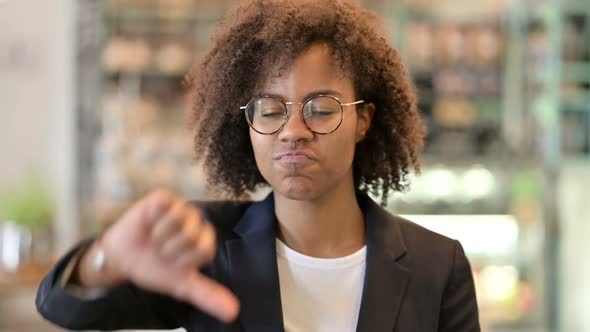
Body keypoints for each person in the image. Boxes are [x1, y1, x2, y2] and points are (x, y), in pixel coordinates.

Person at [36, 0, 480, 331]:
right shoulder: (201, 246)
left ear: (363, 120)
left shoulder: (436, 266)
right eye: (269, 110)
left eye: (321, 109)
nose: (293, 131)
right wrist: (106, 259)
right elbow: (59, 306)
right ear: (246, 123)